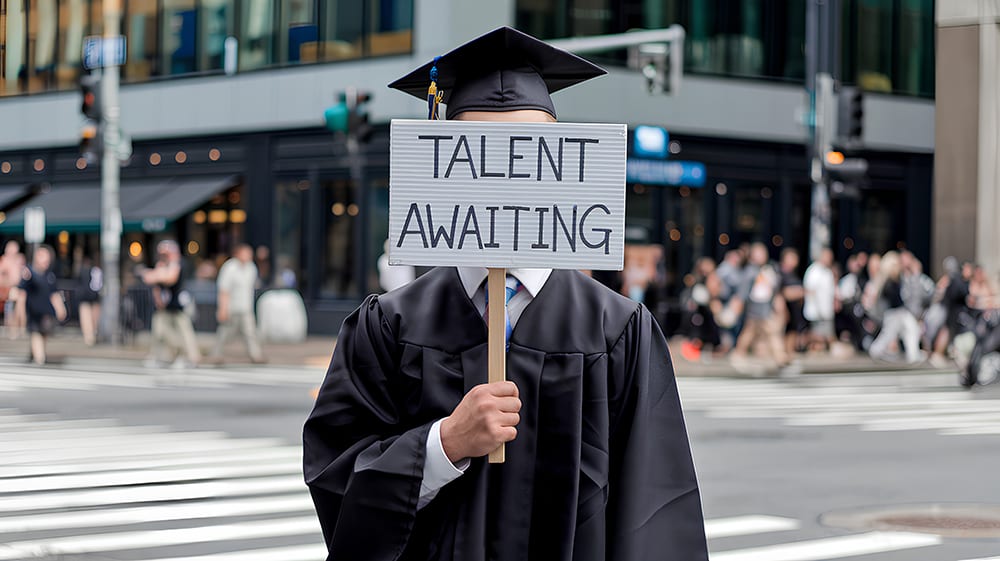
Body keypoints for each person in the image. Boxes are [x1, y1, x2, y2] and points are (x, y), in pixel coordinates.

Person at [303, 27, 708, 561]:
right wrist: (441, 446)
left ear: (559, 163)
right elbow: (337, 479)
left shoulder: (617, 330)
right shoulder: (390, 325)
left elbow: (654, 511)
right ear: (447, 160)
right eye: (481, 151)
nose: (506, 173)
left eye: (529, 150)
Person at [142, 240, 201, 368]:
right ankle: (161, 356)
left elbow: (170, 279)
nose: (163, 256)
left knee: (184, 331)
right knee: (159, 331)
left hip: (179, 304)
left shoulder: (179, 263)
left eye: (166, 253)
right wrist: (158, 298)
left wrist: (157, 275)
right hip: (165, 305)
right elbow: (151, 281)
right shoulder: (162, 264)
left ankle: (190, 357)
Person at [731, 242, 789, 366]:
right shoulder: (751, 271)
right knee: (753, 331)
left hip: (766, 305)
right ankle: (739, 353)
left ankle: (780, 356)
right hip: (755, 306)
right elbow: (744, 290)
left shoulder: (769, 269)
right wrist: (738, 303)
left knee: (768, 331)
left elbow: (774, 288)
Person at [211, 243, 264, 363]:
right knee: (225, 332)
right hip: (231, 307)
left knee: (250, 333)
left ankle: (255, 355)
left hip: (245, 307)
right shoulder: (230, 268)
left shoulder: (251, 268)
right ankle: (216, 354)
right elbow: (224, 290)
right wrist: (223, 308)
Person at [868, 252, 922, 363]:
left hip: (901, 312)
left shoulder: (898, 279)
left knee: (912, 330)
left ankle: (913, 355)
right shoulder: (888, 281)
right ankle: (875, 351)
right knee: (888, 334)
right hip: (893, 313)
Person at [19, 245, 66, 364]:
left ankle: (34, 354)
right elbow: (21, 292)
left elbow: (54, 294)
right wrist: (19, 313)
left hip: (46, 312)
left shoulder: (50, 276)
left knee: (43, 334)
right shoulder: (29, 273)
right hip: (33, 312)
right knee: (36, 333)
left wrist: (60, 308)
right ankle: (39, 359)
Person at [803, 248, 837, 351]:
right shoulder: (813, 271)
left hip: (826, 311)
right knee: (817, 336)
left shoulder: (828, 272)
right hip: (816, 312)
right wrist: (819, 309)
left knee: (824, 336)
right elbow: (810, 291)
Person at [778, 248, 806, 355]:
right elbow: (782, 293)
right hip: (784, 310)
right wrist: (800, 292)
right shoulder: (780, 273)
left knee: (793, 331)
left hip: (795, 312)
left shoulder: (794, 275)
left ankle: (790, 353)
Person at [1, 240, 27, 339]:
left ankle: (21, 328)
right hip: (7, 288)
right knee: (16, 299)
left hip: (19, 288)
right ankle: (15, 329)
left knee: (21, 301)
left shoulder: (20, 259)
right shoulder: (4, 260)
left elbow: (24, 273)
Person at [76, 254, 103, 346]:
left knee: (86, 317)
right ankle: (92, 334)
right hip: (93, 296)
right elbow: (97, 285)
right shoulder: (96, 271)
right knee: (92, 317)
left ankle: (89, 337)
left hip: (85, 296)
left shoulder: (82, 271)